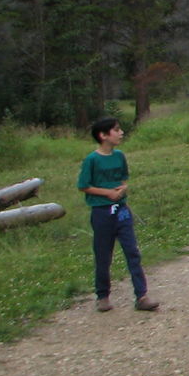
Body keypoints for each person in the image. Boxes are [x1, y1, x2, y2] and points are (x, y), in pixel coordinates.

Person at [77, 117, 158, 312]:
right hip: (101, 212)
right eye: (116, 130)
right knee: (103, 255)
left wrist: (122, 190)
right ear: (103, 135)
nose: (121, 133)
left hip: (121, 211)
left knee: (132, 252)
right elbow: (84, 186)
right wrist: (108, 193)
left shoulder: (120, 156)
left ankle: (142, 296)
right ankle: (102, 296)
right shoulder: (92, 160)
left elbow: (123, 179)